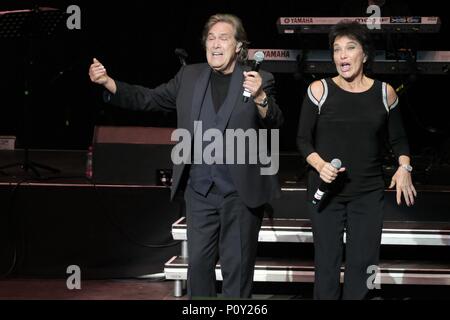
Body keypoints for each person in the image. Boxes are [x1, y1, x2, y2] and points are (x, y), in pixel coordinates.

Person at [89, 13, 283, 299]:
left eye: (224, 38)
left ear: (239, 46)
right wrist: (108, 83)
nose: (215, 44)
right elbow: (150, 99)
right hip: (200, 191)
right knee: (199, 267)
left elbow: (275, 122)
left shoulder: (260, 79)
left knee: (237, 268)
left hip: (240, 194)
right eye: (211, 38)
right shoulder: (190, 76)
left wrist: (260, 98)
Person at [297, 21, 416, 300]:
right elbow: (302, 139)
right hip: (327, 193)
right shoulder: (319, 90)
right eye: (337, 49)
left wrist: (404, 166)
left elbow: (399, 139)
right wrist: (320, 165)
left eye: (350, 48)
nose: (342, 56)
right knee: (326, 267)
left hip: (368, 193)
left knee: (364, 268)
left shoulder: (385, 93)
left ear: (364, 55)